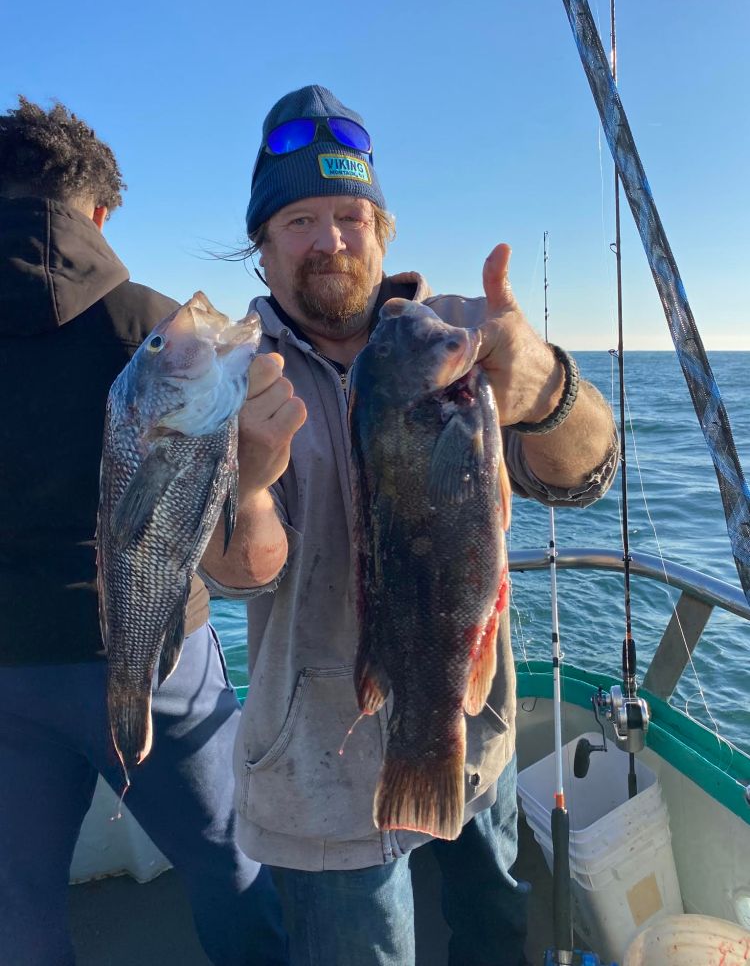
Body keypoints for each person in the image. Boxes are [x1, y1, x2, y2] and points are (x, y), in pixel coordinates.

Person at [201, 85, 619, 966]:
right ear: (263, 251)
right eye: (298, 221)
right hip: (317, 768)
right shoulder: (227, 383)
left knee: (498, 934)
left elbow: (589, 472)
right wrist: (245, 484)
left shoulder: (467, 337)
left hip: (472, 733)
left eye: (350, 215)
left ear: (385, 231)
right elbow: (239, 575)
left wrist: (546, 392)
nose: (329, 240)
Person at [0, 97, 289, 966]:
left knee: (18, 899)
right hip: (159, 651)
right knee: (228, 857)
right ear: (101, 211)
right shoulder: (163, 334)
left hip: (8, 668)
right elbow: (232, 540)